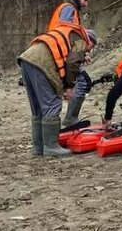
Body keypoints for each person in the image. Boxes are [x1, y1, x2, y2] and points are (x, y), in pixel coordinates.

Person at [18, 24, 95, 158]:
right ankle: (51, 147)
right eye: (91, 48)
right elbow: (72, 63)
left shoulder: (70, 35)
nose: (88, 51)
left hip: (26, 60)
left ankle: (38, 147)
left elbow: (66, 57)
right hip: (41, 63)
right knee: (52, 104)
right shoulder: (81, 40)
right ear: (90, 41)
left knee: (38, 108)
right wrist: (69, 87)